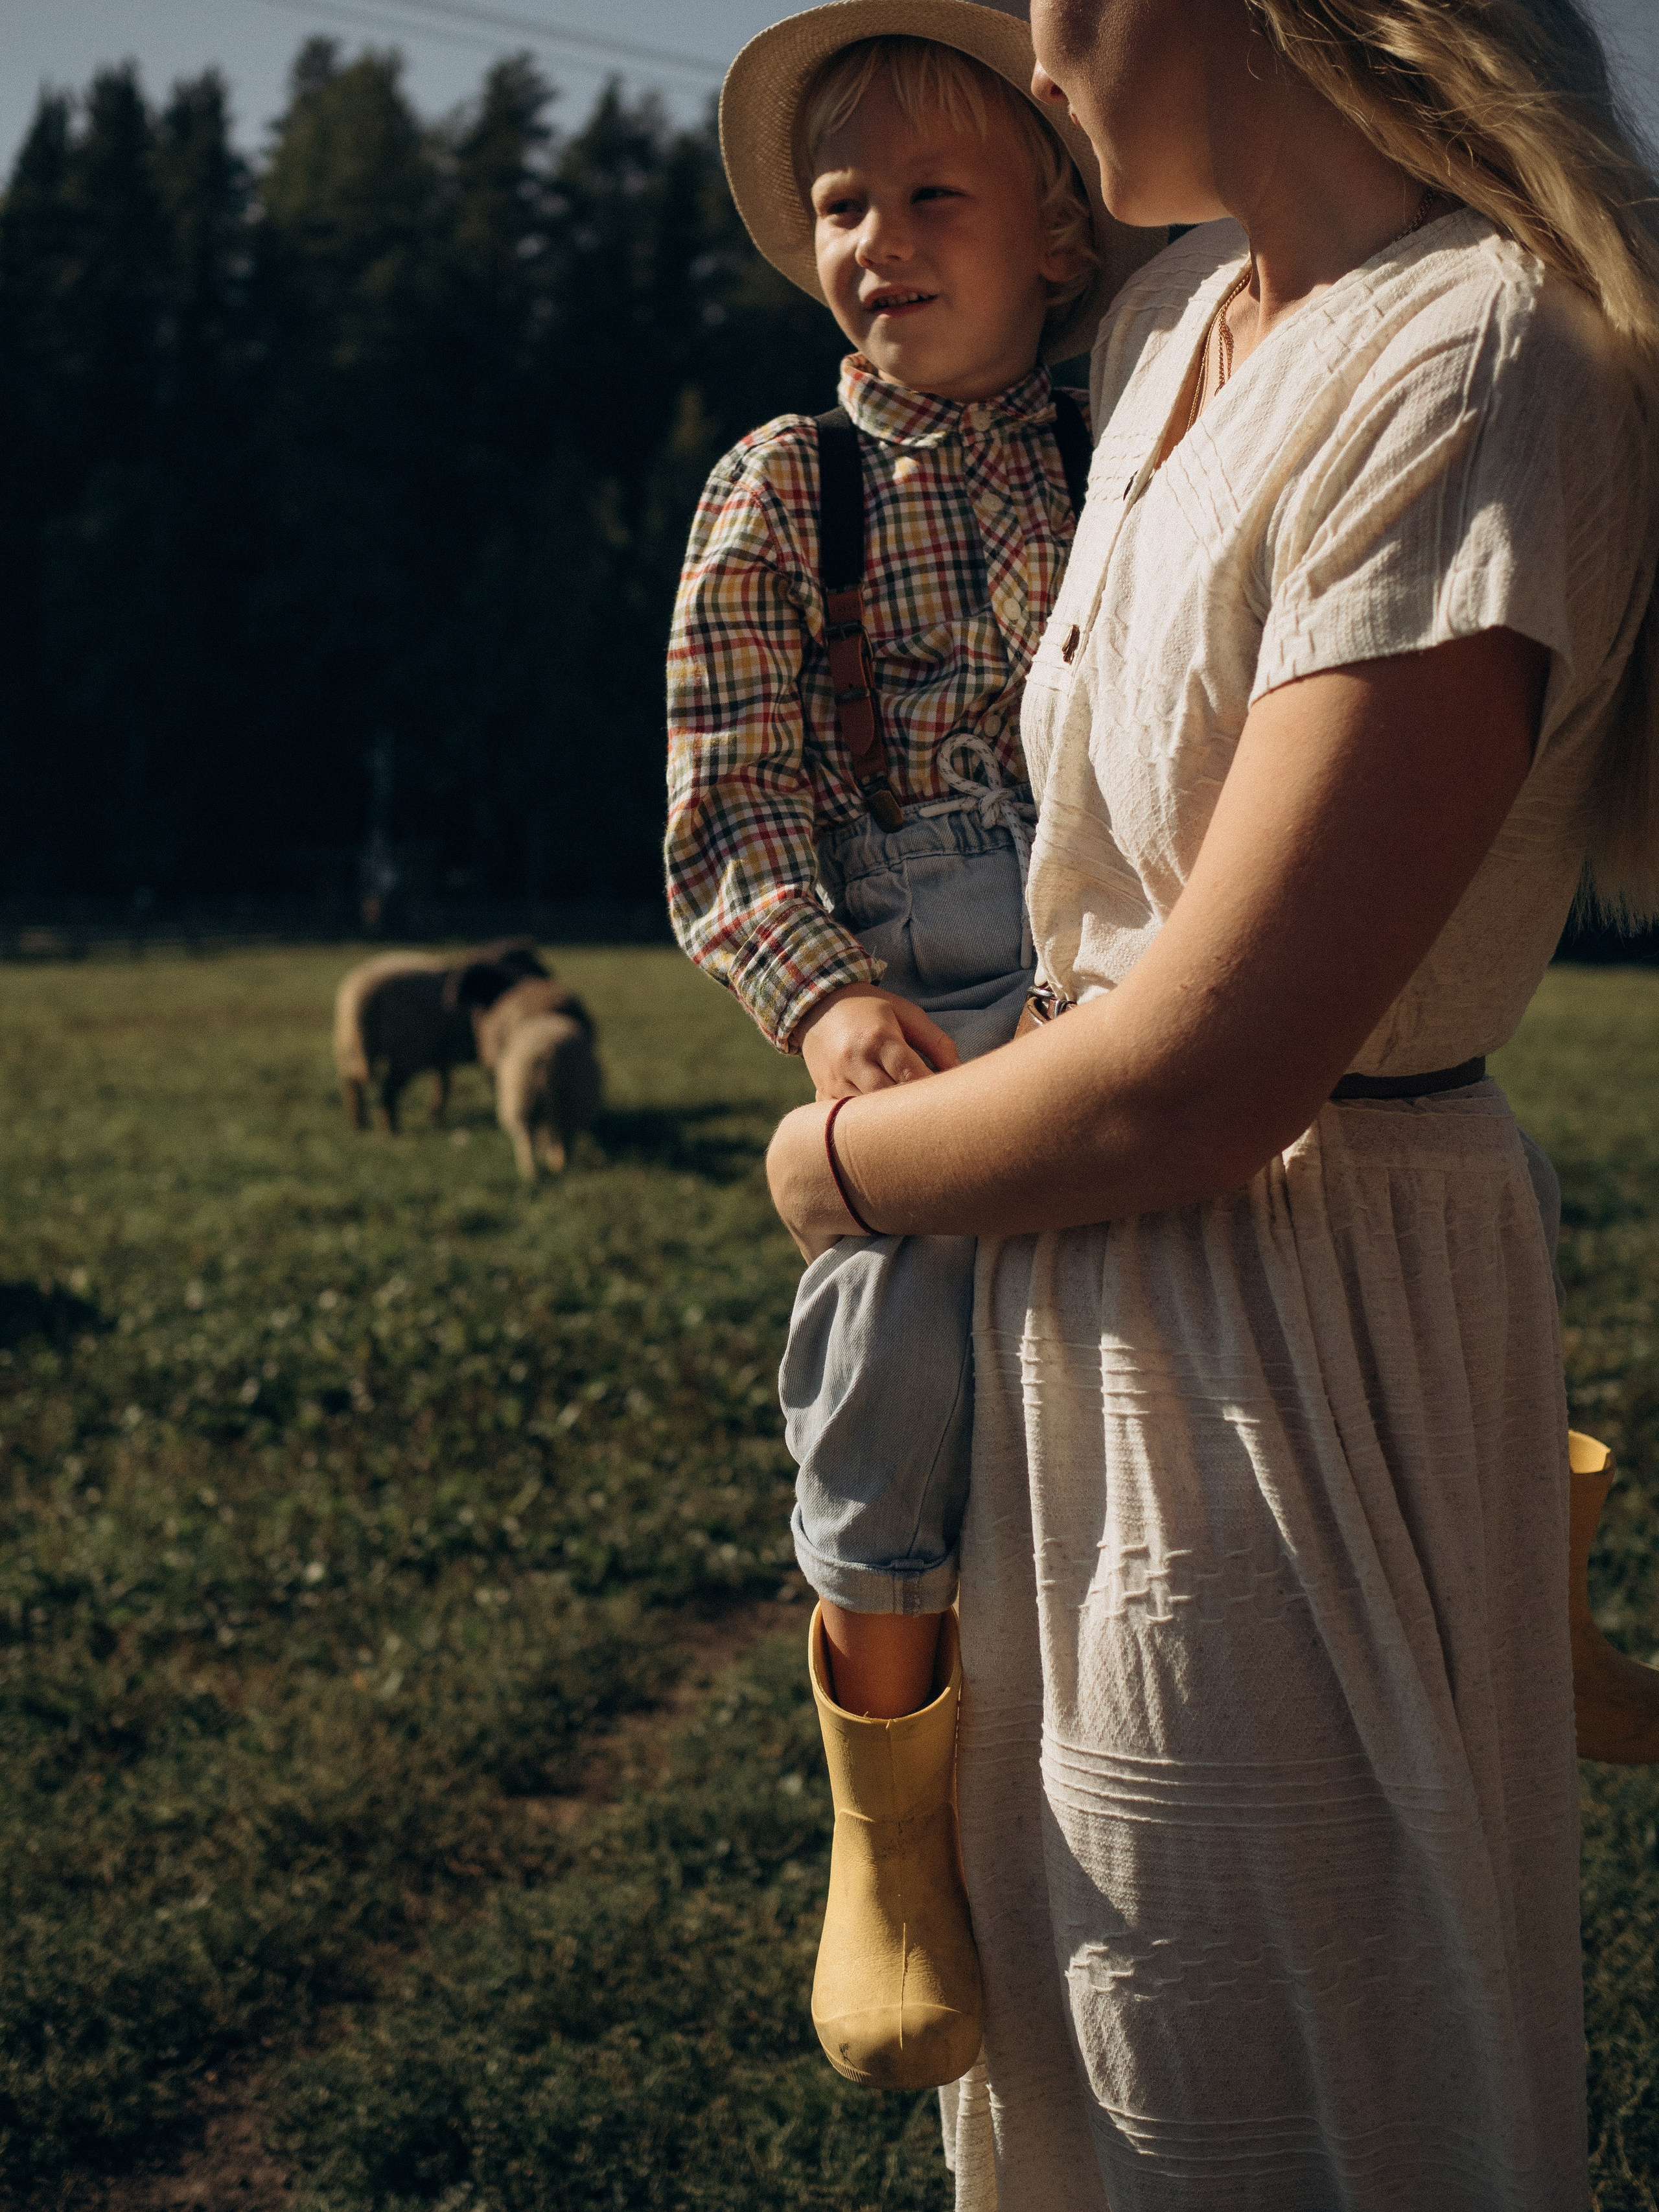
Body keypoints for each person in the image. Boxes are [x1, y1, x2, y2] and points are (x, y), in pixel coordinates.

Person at [764, 0, 1659, 2198]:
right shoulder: (1173, 325)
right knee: (1095, 2033)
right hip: (1088, 1306)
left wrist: (839, 1166)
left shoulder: (1480, 355)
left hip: (1296, 1315)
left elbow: (1217, 1070)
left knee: (1269, 2043)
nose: (1035, 50)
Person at [665, 2, 1157, 2091]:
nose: (873, 240)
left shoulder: (1132, 432)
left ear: (1059, 232)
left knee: (1320, 1216)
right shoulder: (790, 489)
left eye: (930, 194)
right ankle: (882, 1820)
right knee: (895, 1322)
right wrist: (828, 993)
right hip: (919, 974)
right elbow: (734, 798)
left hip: (1134, 936)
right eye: (839, 205)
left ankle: (1494, 1584)